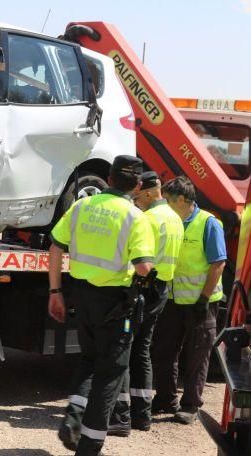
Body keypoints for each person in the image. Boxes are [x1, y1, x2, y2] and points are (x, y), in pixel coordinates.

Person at [48, 155, 154, 455]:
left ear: (108, 179)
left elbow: (55, 246)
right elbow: (144, 267)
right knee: (111, 372)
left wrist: (55, 291)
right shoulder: (136, 217)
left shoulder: (82, 206)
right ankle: (90, 446)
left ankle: (73, 418)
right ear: (137, 185)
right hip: (116, 304)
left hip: (81, 296)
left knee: (89, 360)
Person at [108, 171, 184, 435]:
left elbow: (136, 256)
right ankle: (142, 415)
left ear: (150, 192)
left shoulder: (148, 218)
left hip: (142, 290)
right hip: (160, 291)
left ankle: (121, 416)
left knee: (124, 349)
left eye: (139, 196)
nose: (136, 200)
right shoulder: (175, 218)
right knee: (142, 350)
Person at [151, 176, 227, 424]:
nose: (165, 203)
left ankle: (191, 406)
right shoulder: (172, 221)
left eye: (169, 200)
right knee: (164, 352)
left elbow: (218, 263)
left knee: (197, 356)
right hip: (172, 300)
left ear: (182, 200)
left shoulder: (208, 223)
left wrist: (203, 299)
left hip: (200, 303)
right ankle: (165, 399)